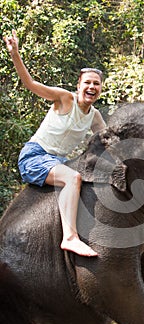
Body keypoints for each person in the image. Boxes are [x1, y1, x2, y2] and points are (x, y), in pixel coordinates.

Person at [3, 29, 106, 257]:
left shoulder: (95, 116)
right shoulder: (64, 99)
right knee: (73, 178)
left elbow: (109, 142)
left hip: (61, 161)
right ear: (78, 86)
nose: (91, 87)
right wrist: (15, 54)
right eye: (87, 82)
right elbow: (29, 83)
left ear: (100, 88)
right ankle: (69, 237)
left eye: (96, 84)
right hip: (36, 156)